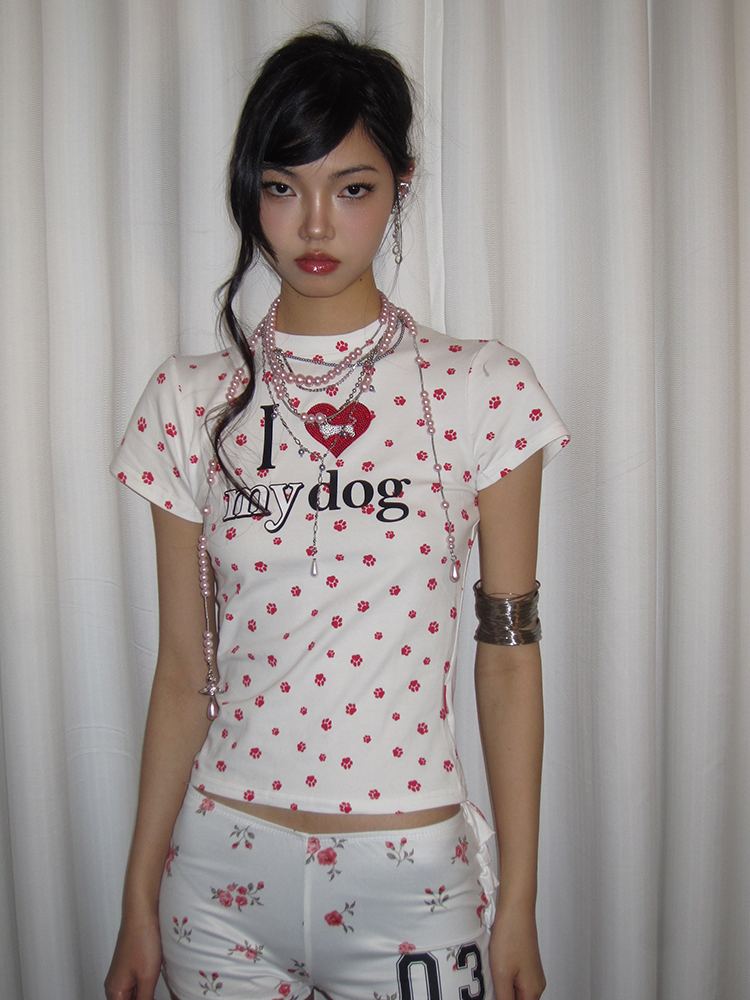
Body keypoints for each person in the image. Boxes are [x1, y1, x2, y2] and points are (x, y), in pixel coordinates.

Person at [105, 24, 569, 1000]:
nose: (315, 224)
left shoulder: (481, 390)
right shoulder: (190, 399)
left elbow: (508, 657)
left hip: (411, 885)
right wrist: (138, 899)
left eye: (351, 188)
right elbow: (184, 672)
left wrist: (520, 902)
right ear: (252, 193)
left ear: (400, 185)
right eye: (284, 187)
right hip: (218, 885)